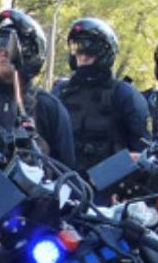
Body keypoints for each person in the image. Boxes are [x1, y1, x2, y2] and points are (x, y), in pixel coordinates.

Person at [0, 9, 75, 168]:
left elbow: (66, 169)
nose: (2, 51)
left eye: (9, 44)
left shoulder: (48, 106)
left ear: (31, 54)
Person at [53, 18, 150, 172]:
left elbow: (142, 152)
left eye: (90, 51)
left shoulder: (124, 94)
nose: (83, 57)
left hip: (111, 184)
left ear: (104, 53)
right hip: (62, 181)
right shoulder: (61, 91)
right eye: (78, 50)